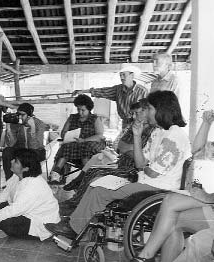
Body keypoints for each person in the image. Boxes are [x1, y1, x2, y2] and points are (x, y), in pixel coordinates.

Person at [46, 91, 191, 241]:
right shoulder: (159, 132)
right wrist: (136, 136)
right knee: (96, 186)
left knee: (101, 192)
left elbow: (151, 171)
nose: (146, 113)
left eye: (149, 109)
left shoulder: (174, 136)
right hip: (146, 181)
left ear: (161, 110)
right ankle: (74, 224)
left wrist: (145, 165)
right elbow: (140, 163)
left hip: (158, 188)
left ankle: (74, 228)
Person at [116, 109, 214, 262]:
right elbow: (196, 149)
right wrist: (206, 122)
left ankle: (147, 261)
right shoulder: (160, 132)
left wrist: (207, 196)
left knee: (170, 203)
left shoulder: (173, 133)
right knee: (172, 220)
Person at [60, 99, 158, 213]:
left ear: (146, 112)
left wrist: (132, 150)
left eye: (137, 113)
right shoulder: (135, 126)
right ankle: (76, 202)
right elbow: (120, 145)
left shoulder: (153, 131)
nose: (134, 116)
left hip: (132, 171)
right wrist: (134, 149)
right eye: (133, 113)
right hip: (121, 163)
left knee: (97, 173)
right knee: (92, 170)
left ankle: (77, 205)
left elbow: (141, 157)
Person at [0, 148, 60, 240]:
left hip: (42, 223)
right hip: (25, 211)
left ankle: (5, 230)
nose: (11, 161)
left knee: (6, 223)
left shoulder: (32, 185)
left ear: (26, 168)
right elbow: (6, 192)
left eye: (16, 161)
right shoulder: (18, 176)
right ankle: (0, 227)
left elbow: (15, 209)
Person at [49, 94, 105, 183]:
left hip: (91, 143)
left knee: (85, 147)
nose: (80, 112)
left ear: (89, 109)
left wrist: (84, 140)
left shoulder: (94, 119)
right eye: (78, 109)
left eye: (83, 110)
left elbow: (99, 135)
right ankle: (56, 173)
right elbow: (63, 133)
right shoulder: (72, 118)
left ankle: (85, 174)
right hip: (74, 143)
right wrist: (67, 136)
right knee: (66, 147)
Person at [75, 64, 148, 129]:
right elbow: (102, 91)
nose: (122, 77)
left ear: (132, 75)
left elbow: (146, 111)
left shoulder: (142, 91)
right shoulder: (118, 89)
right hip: (125, 124)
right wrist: (83, 91)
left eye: (124, 75)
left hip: (139, 123)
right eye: (120, 75)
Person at [2, 103, 49, 180]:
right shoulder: (17, 124)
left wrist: (32, 128)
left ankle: (29, 180)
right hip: (22, 150)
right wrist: (9, 129)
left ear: (29, 115)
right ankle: (9, 181)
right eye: (18, 114)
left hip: (37, 151)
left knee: (31, 155)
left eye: (22, 115)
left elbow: (35, 146)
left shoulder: (39, 124)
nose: (20, 117)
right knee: (7, 151)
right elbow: (11, 144)